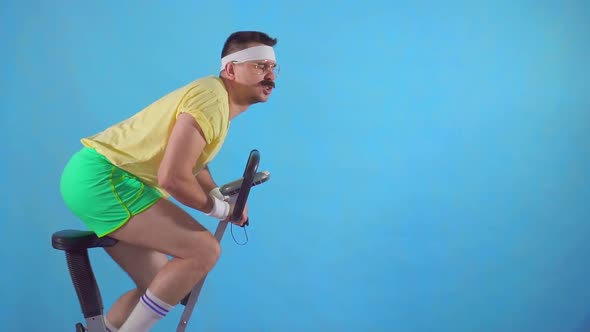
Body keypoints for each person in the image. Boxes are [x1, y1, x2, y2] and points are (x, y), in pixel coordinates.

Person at [59, 31, 279, 332]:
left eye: (272, 67)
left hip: (101, 177)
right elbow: (172, 177)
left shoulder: (215, 100)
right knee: (204, 250)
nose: (270, 75)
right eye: (259, 66)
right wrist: (219, 210)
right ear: (230, 69)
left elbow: (193, 163)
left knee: (162, 283)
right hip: (104, 177)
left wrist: (217, 193)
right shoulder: (211, 100)